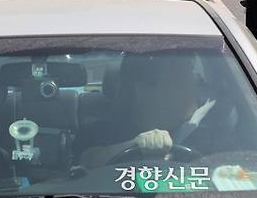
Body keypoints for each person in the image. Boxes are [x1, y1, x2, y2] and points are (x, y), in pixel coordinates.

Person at [76, 54, 215, 168]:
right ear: (143, 89)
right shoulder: (102, 131)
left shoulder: (207, 136)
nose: (193, 85)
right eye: (178, 80)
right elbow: (87, 162)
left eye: (192, 77)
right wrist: (137, 144)